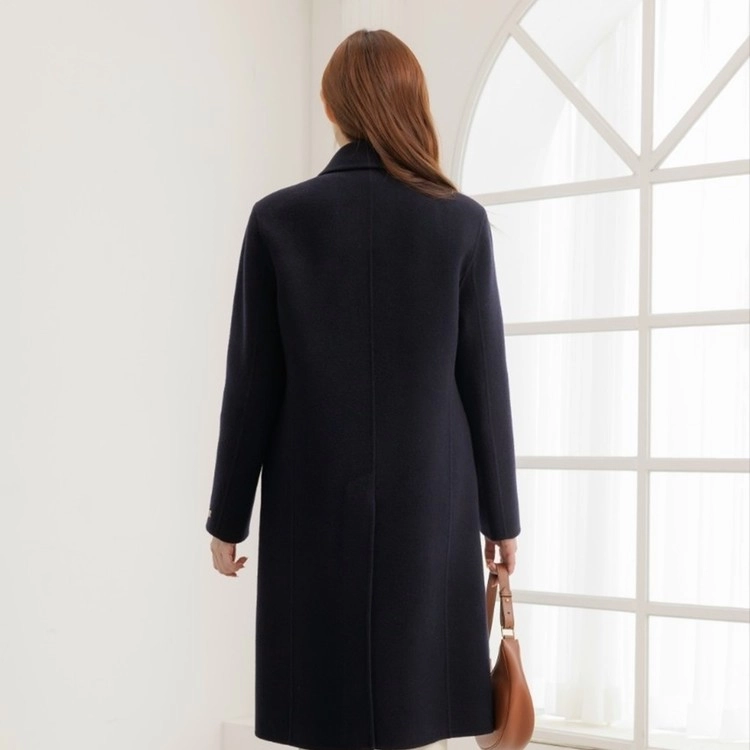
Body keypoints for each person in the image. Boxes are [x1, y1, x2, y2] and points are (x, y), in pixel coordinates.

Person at [206, 28, 521, 750]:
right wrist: (502, 520)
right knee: (418, 705)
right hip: (431, 504)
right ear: (413, 103)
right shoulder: (460, 223)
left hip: (313, 499)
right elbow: (485, 383)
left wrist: (228, 517)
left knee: (326, 705)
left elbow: (251, 384)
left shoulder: (279, 218)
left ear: (333, 105)